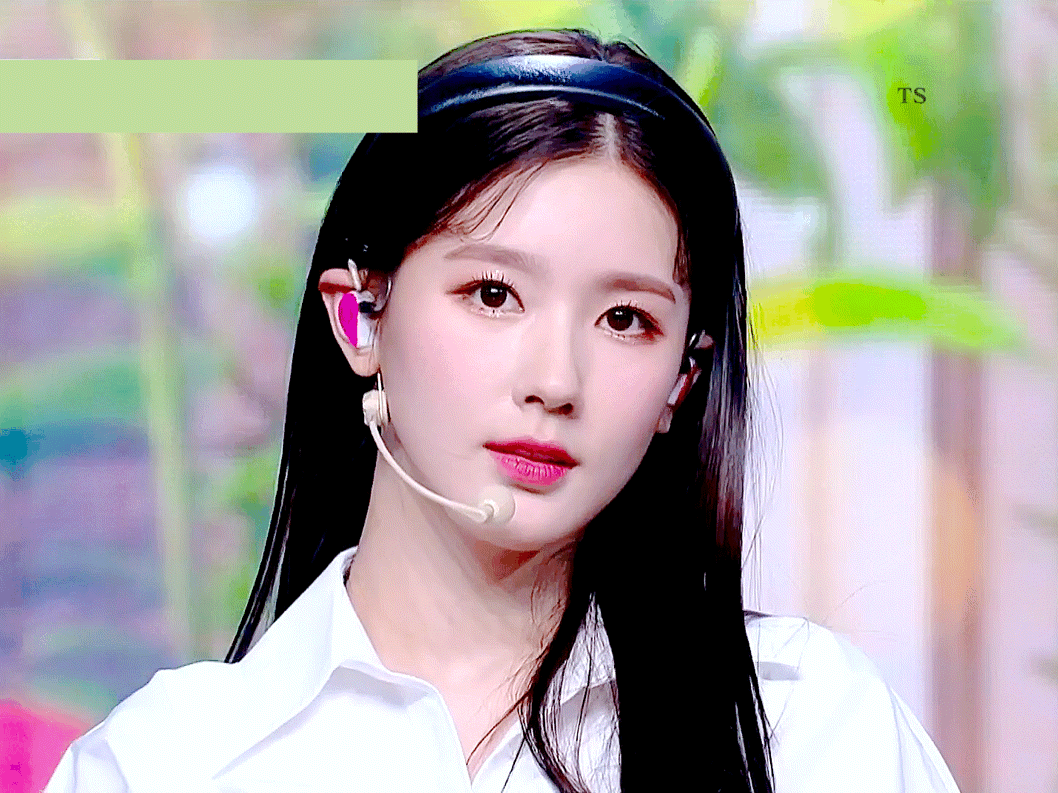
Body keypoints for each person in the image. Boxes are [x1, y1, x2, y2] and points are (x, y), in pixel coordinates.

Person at [45, 29, 962, 793]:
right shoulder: (165, 764)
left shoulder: (809, 728)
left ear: (681, 383)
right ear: (360, 315)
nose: (555, 380)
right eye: (493, 294)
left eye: (626, 319)